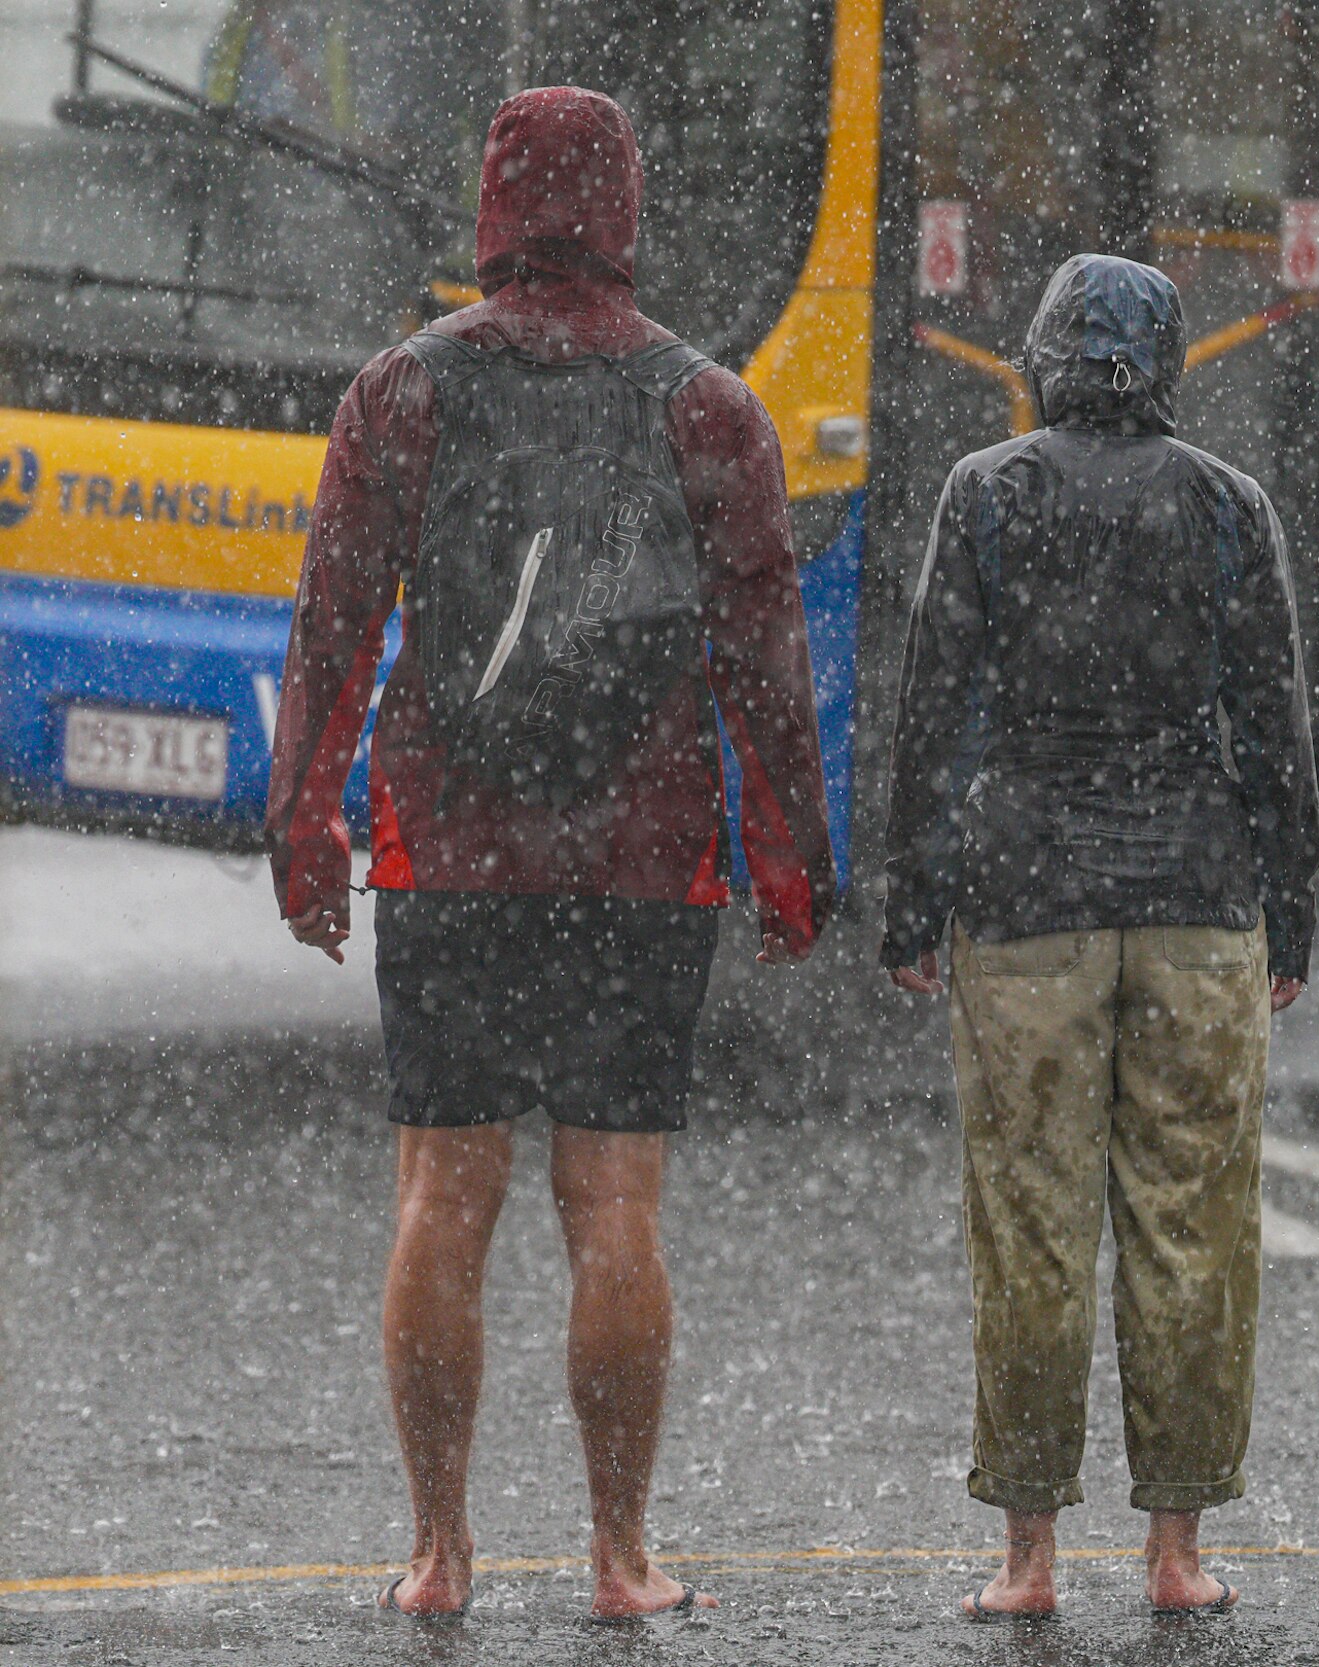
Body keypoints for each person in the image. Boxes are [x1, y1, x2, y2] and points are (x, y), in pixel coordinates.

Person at [265, 85, 836, 1621]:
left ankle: (441, 1550)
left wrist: (304, 828)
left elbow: (333, 629)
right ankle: (619, 1551)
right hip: (641, 865)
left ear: (492, 211)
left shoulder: (402, 393)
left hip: (449, 848)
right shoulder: (707, 406)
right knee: (616, 1212)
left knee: (443, 1199)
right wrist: (794, 857)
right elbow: (764, 661)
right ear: (629, 209)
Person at [881, 253, 1319, 1621]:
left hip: (1025, 905)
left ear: (1043, 353)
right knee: (1193, 1219)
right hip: (1198, 906)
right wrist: (1289, 911)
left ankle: (1025, 1558)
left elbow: (934, 705)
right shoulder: (1229, 504)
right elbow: (1276, 725)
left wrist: (912, 900)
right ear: (1172, 361)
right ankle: (1178, 1548)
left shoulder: (987, 490)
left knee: (1032, 1222)